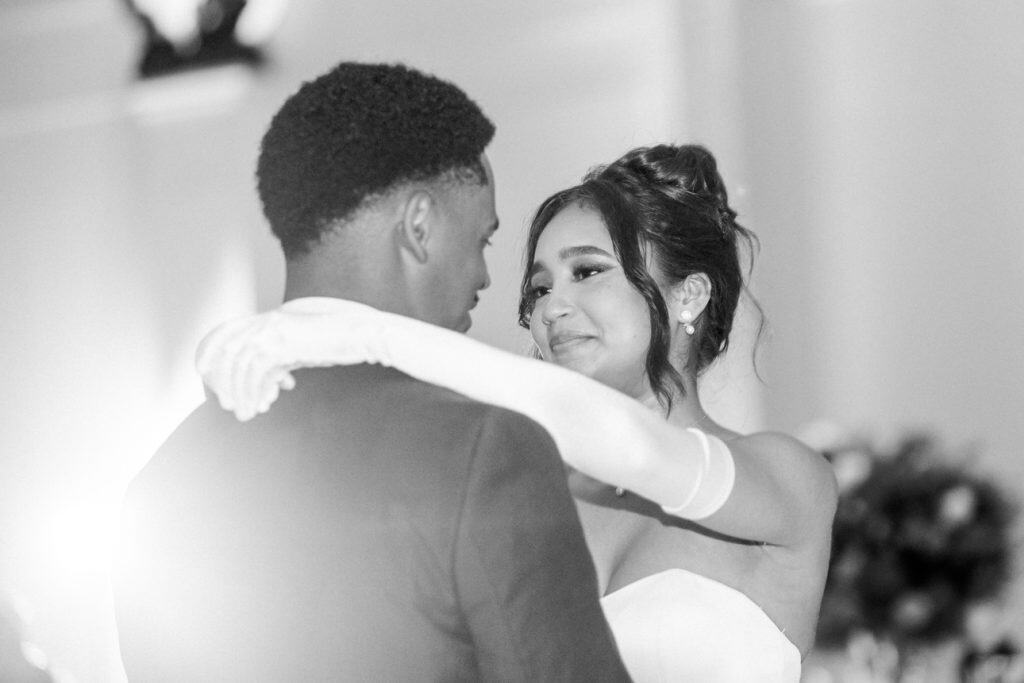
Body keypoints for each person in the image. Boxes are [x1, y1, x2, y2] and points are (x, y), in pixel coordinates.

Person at [198, 143, 840, 682]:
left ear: (689, 295)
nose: (551, 308)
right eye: (538, 288)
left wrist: (367, 334)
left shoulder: (788, 479)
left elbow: (638, 449)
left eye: (587, 272)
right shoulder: (524, 492)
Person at [113, 62, 630, 682]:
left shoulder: (160, 484)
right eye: (482, 240)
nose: (484, 277)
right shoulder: (484, 451)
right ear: (419, 226)